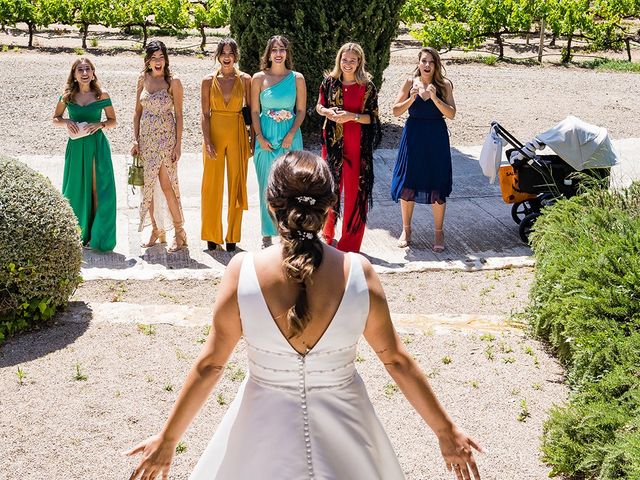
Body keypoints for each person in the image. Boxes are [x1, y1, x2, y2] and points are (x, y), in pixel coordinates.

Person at [126, 150, 482, 480]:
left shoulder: (241, 271)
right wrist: (445, 431)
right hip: (348, 435)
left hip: (260, 435)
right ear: (329, 209)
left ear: (271, 207)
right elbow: (396, 361)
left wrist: (168, 438)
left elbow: (210, 365)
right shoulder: (358, 272)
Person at [315, 42, 381, 253]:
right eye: (344, 60)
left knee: (355, 193)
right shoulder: (329, 82)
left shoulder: (367, 86)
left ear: (359, 61)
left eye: (352, 60)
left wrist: (351, 116)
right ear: (339, 60)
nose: (348, 64)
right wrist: (327, 112)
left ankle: (350, 243)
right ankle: (327, 233)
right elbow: (319, 105)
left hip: (357, 144)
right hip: (333, 143)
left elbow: (372, 118)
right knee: (330, 189)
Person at [391, 47, 456, 252]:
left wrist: (435, 97)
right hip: (414, 135)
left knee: (436, 182)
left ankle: (439, 232)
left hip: (436, 136)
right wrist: (411, 98)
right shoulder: (410, 82)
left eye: (431, 62)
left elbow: (452, 114)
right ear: (418, 63)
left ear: (436, 65)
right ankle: (406, 229)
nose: (427, 65)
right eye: (424, 61)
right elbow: (395, 111)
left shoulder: (444, 85)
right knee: (408, 181)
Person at [53, 58, 117, 252]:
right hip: (76, 147)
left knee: (98, 190)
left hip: (96, 145)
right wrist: (65, 122)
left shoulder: (101, 95)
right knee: (76, 189)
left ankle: (96, 236)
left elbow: (113, 120)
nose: (84, 72)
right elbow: (55, 118)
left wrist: (101, 124)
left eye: (87, 69)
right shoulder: (67, 96)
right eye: (79, 69)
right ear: (74, 74)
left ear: (93, 72)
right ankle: (77, 234)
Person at [251, 35, 306, 248]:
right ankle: (267, 233)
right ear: (269, 53)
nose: (278, 53)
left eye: (282, 49)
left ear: (287, 53)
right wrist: (259, 137)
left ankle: (290, 230)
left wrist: (292, 133)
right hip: (264, 136)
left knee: (291, 186)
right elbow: (255, 111)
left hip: (289, 137)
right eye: (274, 49)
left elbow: (300, 111)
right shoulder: (258, 78)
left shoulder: (297, 78)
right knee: (266, 185)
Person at [132, 40, 187, 253]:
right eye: (154, 58)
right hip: (146, 140)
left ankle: (179, 231)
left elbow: (180, 115)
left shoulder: (173, 82)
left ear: (166, 59)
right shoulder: (142, 79)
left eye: (161, 57)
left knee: (167, 185)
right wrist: (135, 139)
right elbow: (137, 112)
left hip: (166, 140)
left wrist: (178, 145)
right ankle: (156, 229)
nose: (158, 62)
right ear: (147, 61)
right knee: (148, 186)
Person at [201, 38, 251, 252]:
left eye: (231, 53)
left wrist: (253, 139)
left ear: (236, 56)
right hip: (214, 133)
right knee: (211, 186)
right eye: (223, 52)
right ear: (218, 56)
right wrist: (207, 140)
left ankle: (233, 236)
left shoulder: (246, 79)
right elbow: (204, 114)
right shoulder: (207, 81)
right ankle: (211, 235)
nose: (227, 56)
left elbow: (250, 112)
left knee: (237, 184)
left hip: (238, 131)